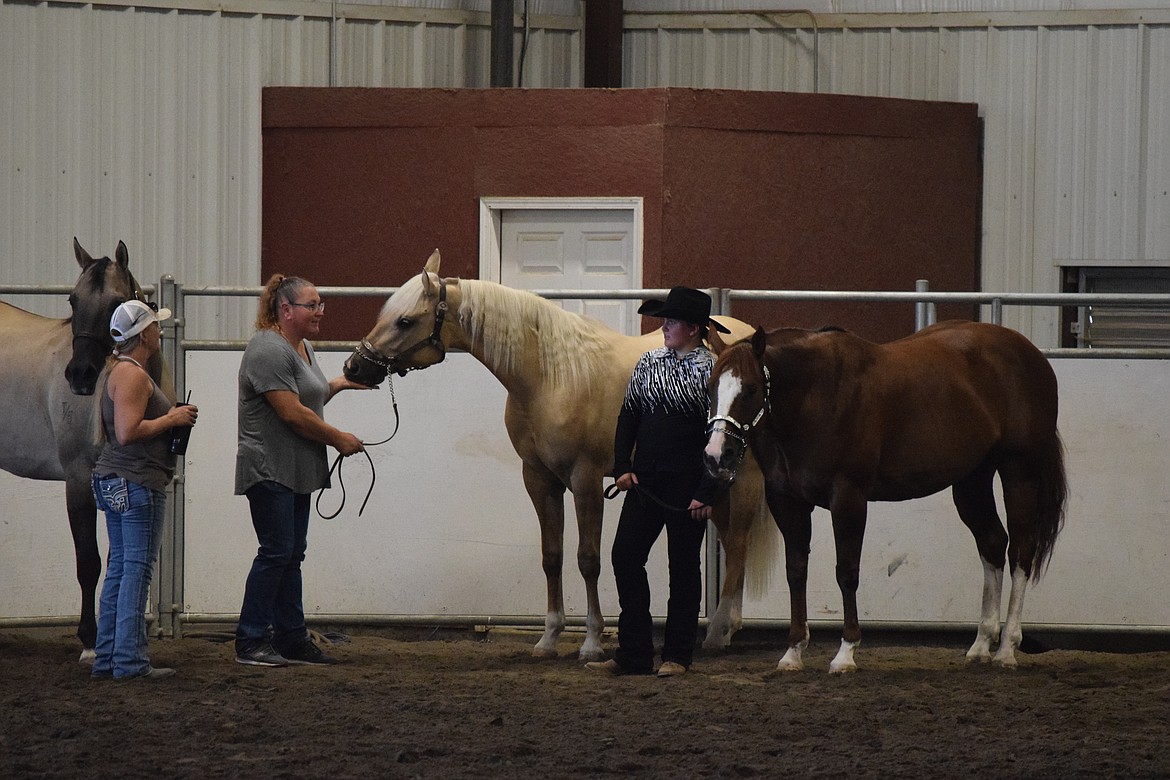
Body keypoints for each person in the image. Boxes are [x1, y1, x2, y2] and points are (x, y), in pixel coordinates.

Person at [586, 286, 730, 679]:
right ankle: (634, 652)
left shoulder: (712, 372)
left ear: (695, 328)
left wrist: (707, 491)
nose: (664, 326)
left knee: (683, 569)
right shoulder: (648, 362)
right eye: (664, 319)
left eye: (672, 321)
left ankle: (678, 655)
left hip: (688, 488)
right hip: (646, 482)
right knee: (625, 556)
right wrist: (621, 466)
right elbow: (628, 417)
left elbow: (721, 439)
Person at [234, 274, 368, 667]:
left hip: (294, 468)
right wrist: (337, 437)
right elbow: (291, 412)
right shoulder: (268, 350)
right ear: (286, 309)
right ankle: (251, 641)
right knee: (276, 552)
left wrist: (341, 383)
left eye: (320, 304)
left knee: (290, 554)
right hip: (268, 468)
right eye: (313, 305)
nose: (320, 311)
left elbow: (310, 393)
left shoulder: (303, 346)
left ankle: (291, 638)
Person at [91, 300, 199, 680]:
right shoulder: (135, 376)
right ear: (142, 334)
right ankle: (130, 661)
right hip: (137, 480)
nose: (159, 330)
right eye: (154, 325)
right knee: (136, 569)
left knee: (120, 568)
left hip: (115, 479)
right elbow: (128, 432)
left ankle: (108, 657)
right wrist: (171, 418)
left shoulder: (117, 372)